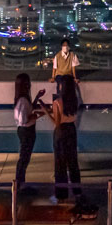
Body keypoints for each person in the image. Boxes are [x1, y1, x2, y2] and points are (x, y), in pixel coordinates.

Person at [46, 74, 81, 204]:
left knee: (60, 164)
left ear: (62, 86)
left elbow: (57, 122)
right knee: (73, 162)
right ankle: (77, 192)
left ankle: (61, 194)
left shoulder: (57, 102)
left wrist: (46, 111)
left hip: (61, 132)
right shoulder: (75, 100)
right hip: (72, 130)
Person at [13, 73, 46, 186]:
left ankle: (21, 183)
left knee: (24, 158)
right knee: (24, 159)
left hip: (25, 131)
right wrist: (37, 115)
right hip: (27, 131)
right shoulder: (22, 100)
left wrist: (37, 97)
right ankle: (19, 184)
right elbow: (24, 120)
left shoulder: (22, 98)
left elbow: (29, 109)